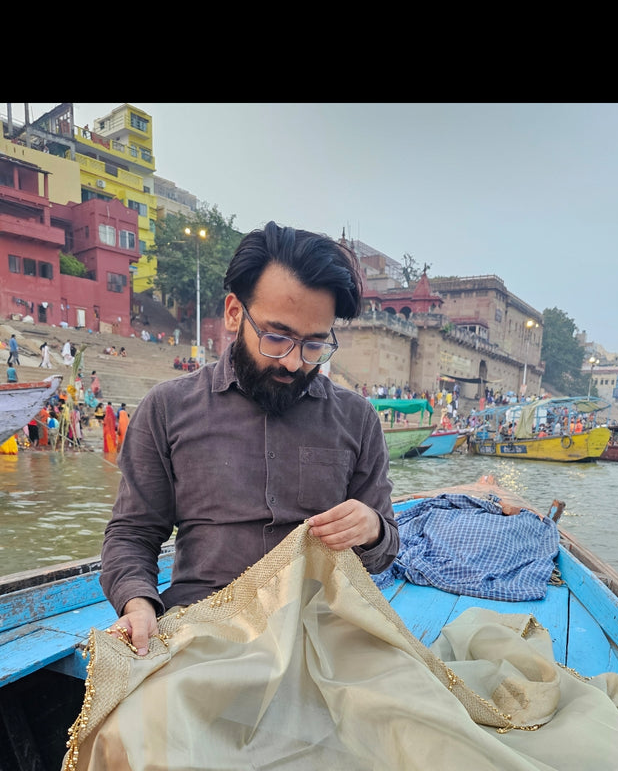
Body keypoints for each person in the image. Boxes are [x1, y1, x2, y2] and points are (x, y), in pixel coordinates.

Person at [101, 222, 399, 655]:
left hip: (320, 633)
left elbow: (385, 549)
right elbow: (131, 534)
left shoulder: (358, 419)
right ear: (235, 313)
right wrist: (139, 602)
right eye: (277, 337)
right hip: (201, 628)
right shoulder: (167, 409)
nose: (295, 363)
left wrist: (371, 530)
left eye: (315, 345)